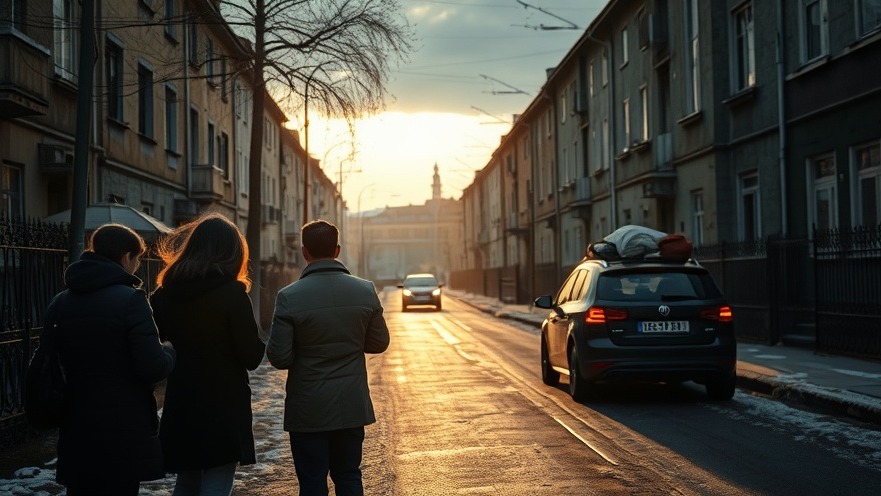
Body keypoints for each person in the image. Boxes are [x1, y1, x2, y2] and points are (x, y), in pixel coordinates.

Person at [267, 219, 390, 496]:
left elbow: (279, 357)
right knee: (348, 475)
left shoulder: (289, 297)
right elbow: (379, 343)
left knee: (312, 481)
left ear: (304, 252)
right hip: (350, 404)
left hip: (308, 408)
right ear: (337, 250)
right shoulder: (365, 290)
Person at [51, 223, 176, 496]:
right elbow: (152, 366)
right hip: (123, 424)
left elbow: (49, 359)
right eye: (138, 258)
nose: (138, 265)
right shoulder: (131, 300)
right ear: (125, 257)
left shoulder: (61, 301)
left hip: (76, 420)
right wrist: (168, 349)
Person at [150, 213, 266, 495]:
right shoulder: (232, 294)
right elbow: (251, 356)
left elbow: (158, 341)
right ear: (233, 253)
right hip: (223, 400)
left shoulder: (164, 295)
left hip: (183, 396)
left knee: (188, 478)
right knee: (219, 474)